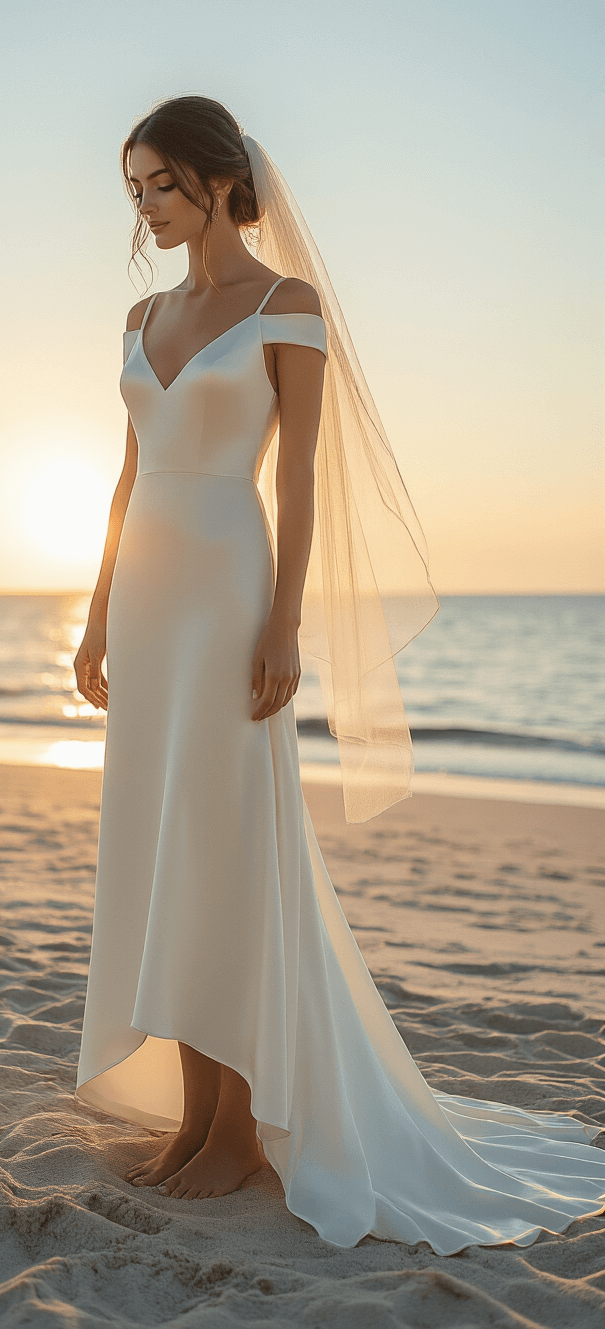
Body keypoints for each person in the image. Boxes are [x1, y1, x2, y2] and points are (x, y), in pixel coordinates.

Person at [74, 95, 605, 1252]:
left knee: (223, 847)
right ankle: (201, 1112)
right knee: (167, 847)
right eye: (135, 189)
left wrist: (285, 624)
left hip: (225, 596)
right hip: (150, 605)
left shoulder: (285, 305)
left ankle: (240, 1127)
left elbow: (300, 482)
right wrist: (94, 618)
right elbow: (126, 483)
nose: (146, 207)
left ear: (219, 180)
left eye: (162, 182)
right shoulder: (140, 313)